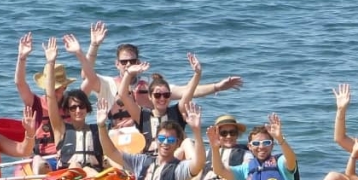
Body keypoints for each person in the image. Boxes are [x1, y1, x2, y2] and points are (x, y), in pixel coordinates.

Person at [80, 26, 244, 127]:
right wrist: (94, 45)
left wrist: (218, 87)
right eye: (124, 62)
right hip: (117, 136)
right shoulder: (107, 84)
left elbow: (187, 92)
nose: (128, 64)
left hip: (146, 136)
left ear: (139, 61)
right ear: (117, 64)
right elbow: (86, 74)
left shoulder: (153, 89)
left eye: (132, 60)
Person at [90, 95, 205, 180]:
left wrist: (196, 131)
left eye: (170, 140)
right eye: (161, 138)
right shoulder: (142, 161)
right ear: (156, 140)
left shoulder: (180, 168)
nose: (165, 143)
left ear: (177, 143)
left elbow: (199, 163)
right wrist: (101, 126)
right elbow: (111, 152)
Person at [15, 30, 100, 174]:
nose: (53, 92)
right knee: (39, 164)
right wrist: (22, 58)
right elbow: (20, 83)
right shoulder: (35, 102)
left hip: (70, 157)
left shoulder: (73, 104)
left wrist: (81, 52)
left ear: (65, 87)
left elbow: (91, 79)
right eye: (51, 88)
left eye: (57, 88)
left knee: (77, 165)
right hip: (43, 157)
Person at [117, 54, 202, 156]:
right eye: (157, 95)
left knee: (187, 143)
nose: (162, 98)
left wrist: (197, 73)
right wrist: (128, 73)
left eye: (166, 95)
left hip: (174, 161)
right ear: (150, 97)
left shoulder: (177, 112)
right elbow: (123, 95)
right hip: (149, 162)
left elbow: (189, 91)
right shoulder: (142, 115)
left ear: (170, 96)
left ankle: (195, 170)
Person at [42, 37, 104, 175]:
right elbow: (50, 96)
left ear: (87, 109)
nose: (77, 110)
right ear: (67, 111)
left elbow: (92, 79)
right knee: (76, 164)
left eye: (81, 106)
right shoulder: (60, 129)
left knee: (89, 168)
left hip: (93, 178)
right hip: (69, 179)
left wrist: (81, 52)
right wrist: (51, 63)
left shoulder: (97, 130)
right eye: (73, 108)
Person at [208, 113, 299, 180]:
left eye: (266, 143)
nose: (261, 147)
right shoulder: (247, 168)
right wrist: (215, 149)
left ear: (272, 145)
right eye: (256, 143)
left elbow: (291, 159)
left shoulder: (280, 162)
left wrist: (280, 139)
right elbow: (219, 170)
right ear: (250, 147)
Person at [189, 114, 254, 180]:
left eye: (232, 132)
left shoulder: (246, 155)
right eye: (224, 133)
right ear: (217, 135)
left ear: (237, 134)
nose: (228, 136)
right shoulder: (207, 154)